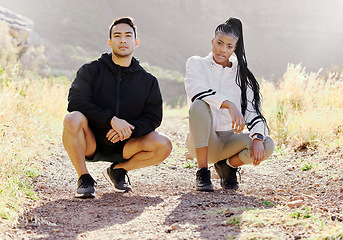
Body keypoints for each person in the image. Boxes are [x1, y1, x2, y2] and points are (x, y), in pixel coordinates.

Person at [62, 17, 172, 198]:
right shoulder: (91, 70)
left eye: (128, 36)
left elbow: (153, 117)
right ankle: (84, 177)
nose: (122, 40)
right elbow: (75, 102)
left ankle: (118, 170)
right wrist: (111, 120)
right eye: (117, 36)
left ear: (136, 42)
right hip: (92, 142)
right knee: (72, 118)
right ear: (109, 41)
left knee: (164, 145)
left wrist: (129, 129)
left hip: (127, 144)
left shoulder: (148, 81)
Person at [184, 17, 274, 191]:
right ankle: (203, 172)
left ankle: (228, 166)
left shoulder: (242, 76)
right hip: (204, 141)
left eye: (229, 46)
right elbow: (196, 90)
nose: (223, 50)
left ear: (235, 48)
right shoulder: (196, 63)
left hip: (230, 141)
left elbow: (252, 110)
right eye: (219, 43)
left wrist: (257, 138)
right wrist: (229, 105)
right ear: (212, 41)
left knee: (266, 144)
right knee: (199, 105)